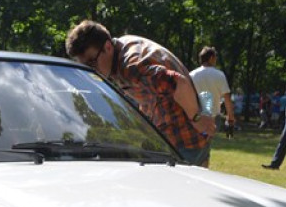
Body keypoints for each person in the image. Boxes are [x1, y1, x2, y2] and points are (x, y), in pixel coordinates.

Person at [65, 20, 216, 166]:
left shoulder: (132, 67)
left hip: (183, 142)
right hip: (185, 140)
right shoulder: (123, 45)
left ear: (108, 47)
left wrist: (196, 118)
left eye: (92, 62)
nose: (91, 70)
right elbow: (150, 93)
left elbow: (178, 83)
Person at [190, 46, 235, 142]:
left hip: (196, 116)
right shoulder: (219, 75)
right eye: (215, 58)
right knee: (205, 144)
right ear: (211, 58)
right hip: (213, 117)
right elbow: (227, 99)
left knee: (199, 143)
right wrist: (230, 118)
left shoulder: (192, 75)